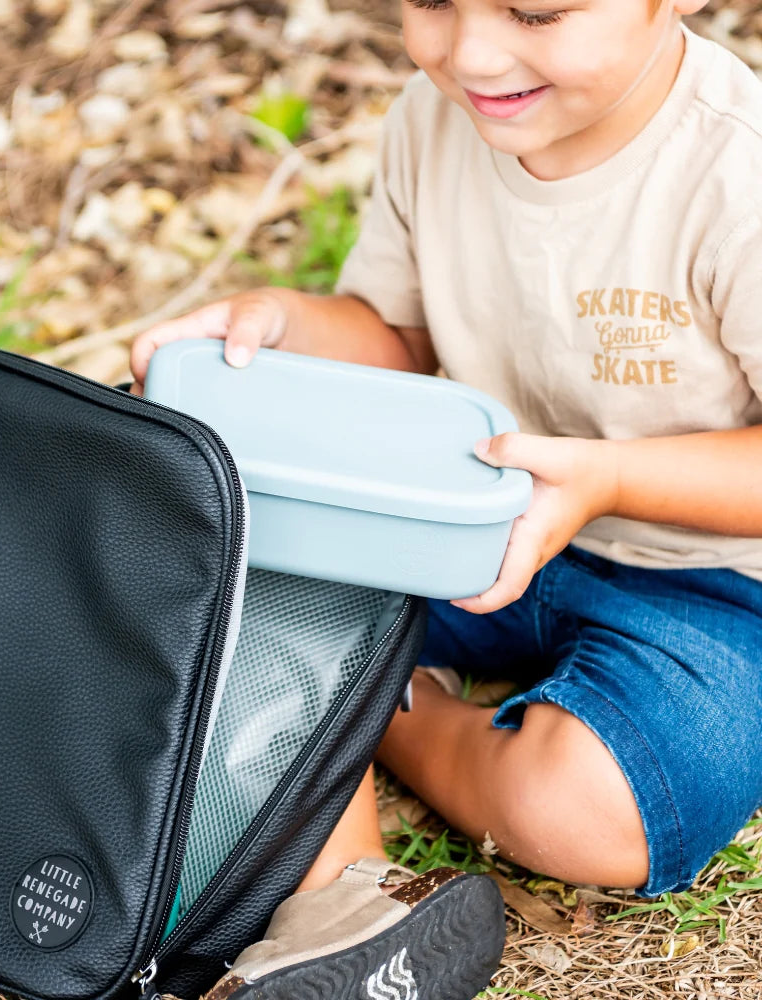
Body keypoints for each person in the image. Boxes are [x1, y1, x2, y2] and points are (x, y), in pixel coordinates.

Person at [131, 0, 762, 997]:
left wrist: (606, 477)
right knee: (206, 578)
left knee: (587, 810)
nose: (469, 51)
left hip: (705, 574)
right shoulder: (435, 121)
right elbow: (397, 341)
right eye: (430, 0)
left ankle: (375, 713)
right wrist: (287, 323)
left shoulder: (738, 173)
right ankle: (345, 898)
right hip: (465, 520)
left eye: (537, 11)